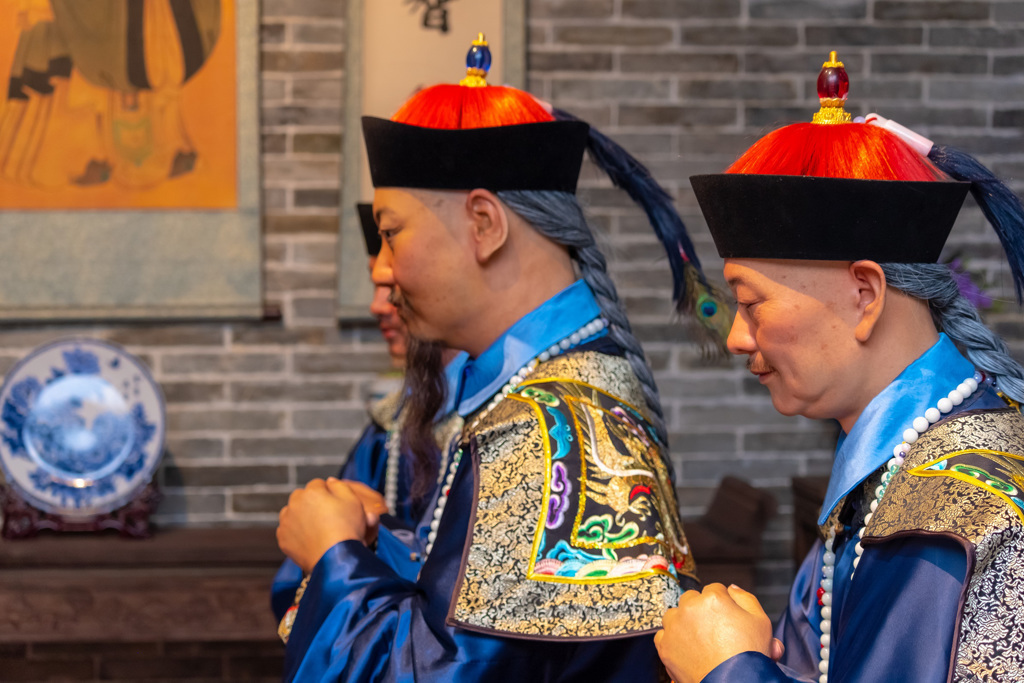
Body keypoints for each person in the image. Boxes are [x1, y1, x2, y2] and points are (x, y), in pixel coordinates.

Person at [274, 35, 726, 681]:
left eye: (391, 233)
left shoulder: (547, 430)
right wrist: (382, 543)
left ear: (484, 223)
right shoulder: (547, 398)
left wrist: (333, 553)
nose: (381, 268)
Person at [655, 52, 1024, 682]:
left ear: (865, 295)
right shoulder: (894, 471)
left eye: (752, 303)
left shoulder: (952, 512)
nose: (737, 337)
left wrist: (727, 668)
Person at [271, 203, 465, 624]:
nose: (379, 304)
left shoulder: (498, 424)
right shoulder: (391, 428)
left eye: (392, 284)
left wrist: (367, 539)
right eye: (375, 282)